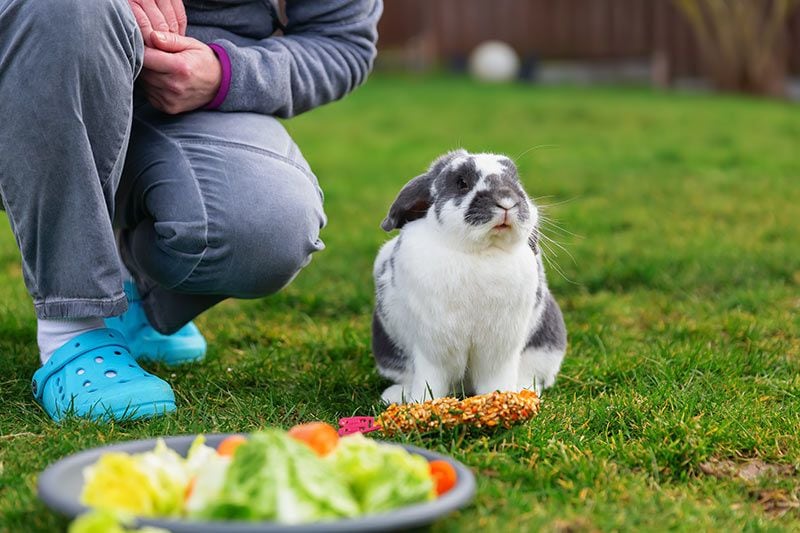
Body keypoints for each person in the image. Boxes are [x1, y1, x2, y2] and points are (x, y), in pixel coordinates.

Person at [0, 0, 382, 422]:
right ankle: (74, 330)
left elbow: (341, 43)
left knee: (270, 223)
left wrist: (224, 74)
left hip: (181, 103)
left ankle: (131, 292)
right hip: (26, 69)